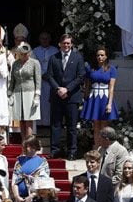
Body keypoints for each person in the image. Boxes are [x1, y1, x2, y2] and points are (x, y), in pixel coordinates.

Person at [47, 33, 86, 161]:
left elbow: (81, 76)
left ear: (72, 44)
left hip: (72, 97)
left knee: (71, 126)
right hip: (57, 96)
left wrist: (67, 89)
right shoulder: (54, 58)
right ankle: (55, 150)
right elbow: (49, 76)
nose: (66, 45)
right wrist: (58, 89)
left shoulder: (78, 57)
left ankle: (72, 151)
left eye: (68, 43)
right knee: (56, 125)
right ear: (60, 44)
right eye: (64, 43)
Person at [81, 46, 119, 148]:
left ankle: (104, 147)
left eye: (102, 55)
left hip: (105, 98)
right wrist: (85, 98)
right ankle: (97, 147)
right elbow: (87, 84)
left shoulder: (112, 69)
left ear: (106, 56)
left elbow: (111, 88)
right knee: (96, 125)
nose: (100, 57)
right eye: (98, 55)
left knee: (104, 125)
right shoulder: (90, 68)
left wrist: (109, 104)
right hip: (93, 98)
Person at [11, 136, 50, 202]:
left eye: (28, 146)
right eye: (25, 146)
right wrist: (17, 196)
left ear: (35, 147)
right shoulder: (19, 161)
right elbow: (14, 181)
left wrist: (32, 196)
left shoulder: (43, 162)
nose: (25, 149)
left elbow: (44, 183)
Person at [8, 42, 41, 140]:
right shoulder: (15, 63)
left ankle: (29, 145)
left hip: (30, 93)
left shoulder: (35, 63)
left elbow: (38, 80)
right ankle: (23, 145)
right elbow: (12, 80)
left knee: (29, 120)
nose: (24, 56)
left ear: (29, 53)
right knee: (21, 120)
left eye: (26, 54)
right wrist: (9, 94)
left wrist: (37, 96)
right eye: (22, 54)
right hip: (18, 93)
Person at [32, 30, 58, 127]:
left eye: (46, 38)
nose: (44, 40)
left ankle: (48, 123)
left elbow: (57, 66)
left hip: (51, 80)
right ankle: (39, 123)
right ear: (39, 39)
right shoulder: (34, 51)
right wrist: (40, 75)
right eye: (43, 38)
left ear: (50, 39)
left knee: (49, 102)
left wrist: (49, 75)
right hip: (38, 80)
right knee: (39, 101)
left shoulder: (55, 51)